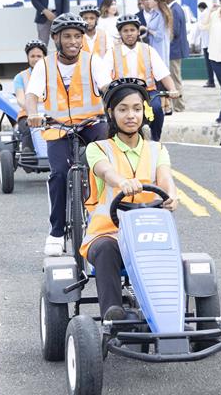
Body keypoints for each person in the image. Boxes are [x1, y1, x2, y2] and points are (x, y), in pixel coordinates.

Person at [80, 77, 179, 321]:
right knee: (105, 249)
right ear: (111, 113)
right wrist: (121, 182)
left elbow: (165, 177)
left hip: (149, 234)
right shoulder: (99, 148)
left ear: (145, 112)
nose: (130, 115)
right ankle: (113, 313)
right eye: (123, 109)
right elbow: (105, 170)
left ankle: (171, 315)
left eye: (136, 109)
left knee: (184, 259)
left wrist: (173, 194)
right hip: (108, 234)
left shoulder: (157, 149)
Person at [26, 13, 112, 256]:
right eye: (67, 37)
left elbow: (107, 88)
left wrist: (114, 107)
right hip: (58, 126)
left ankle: (105, 218)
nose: (73, 41)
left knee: (105, 166)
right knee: (59, 174)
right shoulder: (44, 65)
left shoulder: (93, 61)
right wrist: (33, 114)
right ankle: (56, 232)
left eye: (77, 36)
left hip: (91, 124)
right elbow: (32, 95)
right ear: (56, 38)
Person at [105, 14, 179, 141]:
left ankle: (155, 141)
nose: (129, 34)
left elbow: (163, 74)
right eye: (125, 31)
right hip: (121, 93)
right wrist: (106, 89)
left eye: (132, 30)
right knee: (110, 114)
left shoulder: (148, 50)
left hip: (147, 93)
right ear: (120, 33)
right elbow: (104, 76)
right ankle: (114, 141)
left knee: (156, 109)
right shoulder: (112, 52)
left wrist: (172, 89)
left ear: (138, 31)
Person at [14, 40, 47, 154]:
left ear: (44, 57)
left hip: (50, 112)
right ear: (27, 57)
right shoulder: (20, 77)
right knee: (27, 128)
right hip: (27, 114)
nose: (36, 59)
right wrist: (32, 110)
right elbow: (20, 99)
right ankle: (27, 153)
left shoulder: (53, 74)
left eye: (39, 56)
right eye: (32, 56)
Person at [163, 0, 189, 112]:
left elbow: (175, 31)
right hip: (176, 50)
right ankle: (178, 105)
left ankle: (179, 106)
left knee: (175, 79)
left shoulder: (174, 10)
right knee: (175, 78)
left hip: (174, 50)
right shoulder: (177, 8)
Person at [146, 0, 173, 66]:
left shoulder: (162, 16)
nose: (148, 1)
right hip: (152, 48)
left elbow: (159, 36)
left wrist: (147, 30)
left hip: (159, 49)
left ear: (156, 1)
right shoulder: (153, 13)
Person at [194, 2, 216, 88]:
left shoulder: (203, 14)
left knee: (209, 64)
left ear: (200, 8)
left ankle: (211, 81)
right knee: (213, 63)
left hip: (207, 43)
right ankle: (211, 80)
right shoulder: (212, 13)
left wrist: (194, 40)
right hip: (212, 42)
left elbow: (198, 28)